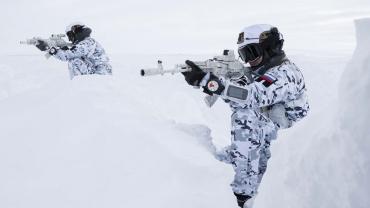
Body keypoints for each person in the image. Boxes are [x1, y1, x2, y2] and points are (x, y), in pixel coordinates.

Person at [181, 24, 309, 208]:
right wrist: (216, 80)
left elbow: (253, 96)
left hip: (285, 149)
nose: (249, 61)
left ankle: (244, 194)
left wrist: (210, 83)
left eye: (252, 53)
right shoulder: (261, 72)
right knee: (215, 162)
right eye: (244, 55)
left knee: (244, 116)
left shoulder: (286, 74)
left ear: (270, 48)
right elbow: (241, 97)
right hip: (266, 140)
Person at [35, 22, 112, 79]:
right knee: (74, 58)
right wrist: (62, 47)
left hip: (99, 76)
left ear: (77, 31)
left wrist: (49, 48)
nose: (70, 39)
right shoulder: (87, 42)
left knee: (74, 60)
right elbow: (72, 52)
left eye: (70, 36)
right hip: (98, 74)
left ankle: (79, 86)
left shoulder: (88, 42)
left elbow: (67, 55)